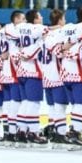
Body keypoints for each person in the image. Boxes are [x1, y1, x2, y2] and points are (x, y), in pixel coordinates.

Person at [59, 5, 82, 148]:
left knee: (75, 105)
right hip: (79, 73)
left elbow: (60, 47)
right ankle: (75, 133)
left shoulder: (66, 28)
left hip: (65, 72)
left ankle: (75, 131)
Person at [17, 9, 48, 145]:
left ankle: (21, 131)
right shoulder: (38, 29)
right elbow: (46, 31)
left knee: (25, 102)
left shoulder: (20, 28)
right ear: (35, 19)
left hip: (21, 70)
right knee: (33, 103)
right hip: (33, 71)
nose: (42, 18)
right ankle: (33, 132)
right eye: (39, 16)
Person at [41, 9, 71, 148]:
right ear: (59, 20)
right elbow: (59, 53)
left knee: (52, 107)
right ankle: (60, 134)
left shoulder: (45, 35)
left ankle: (52, 132)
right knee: (60, 107)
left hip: (46, 76)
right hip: (57, 76)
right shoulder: (59, 33)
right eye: (64, 19)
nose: (65, 21)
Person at [0, 10, 25, 145]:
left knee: (8, 103)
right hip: (12, 70)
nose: (25, 22)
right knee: (15, 102)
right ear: (16, 19)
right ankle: (13, 132)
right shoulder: (11, 29)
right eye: (23, 19)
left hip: (5, 71)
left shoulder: (2, 31)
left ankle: (8, 131)